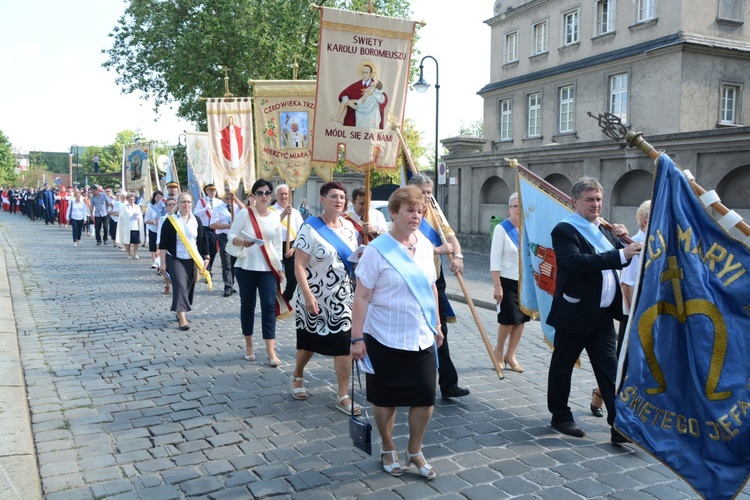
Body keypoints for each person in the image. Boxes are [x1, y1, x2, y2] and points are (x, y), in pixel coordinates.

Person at [350, 186, 443, 479]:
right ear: (393, 213)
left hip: (420, 336)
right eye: (410, 211)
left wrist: (437, 324)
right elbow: (362, 296)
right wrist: (356, 337)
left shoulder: (426, 245)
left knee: (425, 397)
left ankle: (414, 450)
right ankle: (388, 447)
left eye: (420, 211)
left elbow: (431, 287)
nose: (416, 216)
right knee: (385, 399)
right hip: (384, 336)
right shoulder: (377, 251)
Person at [546, 177, 642, 443]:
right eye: (589, 199)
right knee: (563, 367)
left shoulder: (603, 229)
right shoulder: (565, 230)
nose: (595, 204)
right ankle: (560, 415)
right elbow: (577, 262)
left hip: (601, 315)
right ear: (575, 201)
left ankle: (618, 425)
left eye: (598, 199)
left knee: (609, 371)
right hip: (575, 312)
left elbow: (615, 259)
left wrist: (622, 242)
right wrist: (621, 254)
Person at [290, 181, 360, 415]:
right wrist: (308, 296)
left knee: (343, 345)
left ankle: (343, 395)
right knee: (309, 343)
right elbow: (298, 265)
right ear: (323, 200)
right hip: (313, 296)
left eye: (342, 197)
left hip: (342, 298)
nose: (339, 200)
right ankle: (298, 374)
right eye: (333, 196)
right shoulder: (310, 227)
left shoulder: (350, 228)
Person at [408, 174, 470, 399]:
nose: (426, 197)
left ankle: (448, 383)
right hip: (411, 279)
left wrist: (458, 256)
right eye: (422, 192)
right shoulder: (406, 212)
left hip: (435, 277)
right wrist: (438, 250)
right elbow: (406, 245)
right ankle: (411, 379)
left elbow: (451, 238)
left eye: (429, 192)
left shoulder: (434, 213)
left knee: (440, 329)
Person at [590, 199, 651, 417]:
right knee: (623, 364)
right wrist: (635, 316)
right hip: (636, 315)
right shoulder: (634, 244)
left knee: (632, 364)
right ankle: (610, 403)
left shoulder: (657, 244)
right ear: (644, 222)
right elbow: (627, 284)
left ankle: (599, 397)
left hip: (652, 315)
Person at [227, 180, 285, 365]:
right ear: (252, 196)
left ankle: (270, 350)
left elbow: (277, 244)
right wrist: (240, 241)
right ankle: (249, 344)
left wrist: (280, 267)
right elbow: (231, 234)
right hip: (246, 266)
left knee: (269, 306)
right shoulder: (245, 213)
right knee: (248, 305)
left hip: (267, 267)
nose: (264, 196)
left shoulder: (275, 216)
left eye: (267, 192)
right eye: (259, 193)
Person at [490, 192, 530, 373]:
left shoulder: (527, 228)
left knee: (521, 320)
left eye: (521, 207)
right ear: (509, 209)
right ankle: (498, 352)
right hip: (506, 281)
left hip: (523, 282)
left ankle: (510, 355)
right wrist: (497, 284)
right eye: (515, 206)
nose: (518, 210)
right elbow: (495, 259)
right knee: (507, 320)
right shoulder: (501, 228)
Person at [159, 192, 210, 331]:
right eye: (183, 202)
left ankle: (180, 309)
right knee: (180, 284)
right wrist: (163, 263)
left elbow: (202, 240)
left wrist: (206, 257)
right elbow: (163, 244)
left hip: (192, 258)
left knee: (188, 286)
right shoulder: (171, 221)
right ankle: (182, 318)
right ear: (178, 204)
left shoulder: (196, 220)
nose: (186, 204)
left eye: (188, 202)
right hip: (174, 258)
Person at [269, 184, 304, 302]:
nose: (284, 196)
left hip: (291, 246)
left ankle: (285, 301)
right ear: (276, 195)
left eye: (286, 194)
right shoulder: (270, 211)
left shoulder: (295, 212)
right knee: (275, 277)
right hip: (275, 245)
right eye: (281, 194)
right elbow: (270, 226)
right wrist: (284, 213)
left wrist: (294, 248)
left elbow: (301, 232)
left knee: (293, 278)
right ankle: (274, 302)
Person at [335, 62, 388, 129]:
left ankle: (339, 116)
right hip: (359, 112)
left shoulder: (375, 86)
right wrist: (347, 101)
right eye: (363, 72)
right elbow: (344, 94)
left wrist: (371, 94)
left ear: (371, 74)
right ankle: (338, 117)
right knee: (345, 100)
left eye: (366, 73)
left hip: (369, 114)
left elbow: (383, 99)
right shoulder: (356, 85)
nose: (364, 75)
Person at [211, 192, 245, 297]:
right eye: (225, 193)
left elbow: (246, 210)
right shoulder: (218, 208)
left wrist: (236, 199)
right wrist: (227, 226)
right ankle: (228, 287)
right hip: (224, 237)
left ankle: (234, 284)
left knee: (236, 262)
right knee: (226, 262)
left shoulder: (237, 206)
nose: (227, 195)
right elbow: (213, 224)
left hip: (236, 237)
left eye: (230, 193)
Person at [194, 183, 220, 275]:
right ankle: (206, 268)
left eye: (214, 191)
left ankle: (209, 267)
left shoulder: (218, 202)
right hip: (204, 228)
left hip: (214, 229)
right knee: (204, 248)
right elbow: (196, 213)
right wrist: (205, 208)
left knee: (213, 249)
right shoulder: (202, 201)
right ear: (207, 191)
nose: (213, 192)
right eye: (210, 191)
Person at [157, 197, 179, 294]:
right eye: (169, 204)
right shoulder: (163, 219)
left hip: (177, 246)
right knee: (165, 265)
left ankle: (176, 285)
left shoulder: (180, 218)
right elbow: (160, 234)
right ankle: (167, 284)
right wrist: (158, 247)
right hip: (166, 245)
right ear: (166, 207)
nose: (172, 206)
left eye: (174, 204)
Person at [117, 193, 144, 259]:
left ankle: (135, 253)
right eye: (130, 199)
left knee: (136, 241)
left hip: (136, 226)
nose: (132, 200)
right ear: (127, 200)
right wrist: (129, 217)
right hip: (127, 226)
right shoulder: (125, 207)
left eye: (133, 199)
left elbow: (140, 215)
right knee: (127, 240)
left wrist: (137, 217)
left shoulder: (137, 207)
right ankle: (129, 253)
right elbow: (122, 216)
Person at [145, 190, 166, 267]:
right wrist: (155, 222)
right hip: (153, 229)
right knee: (154, 247)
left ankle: (161, 261)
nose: (159, 199)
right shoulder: (151, 208)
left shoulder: (165, 207)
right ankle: (155, 261)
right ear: (154, 198)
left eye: (161, 197)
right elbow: (146, 220)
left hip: (163, 230)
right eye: (157, 197)